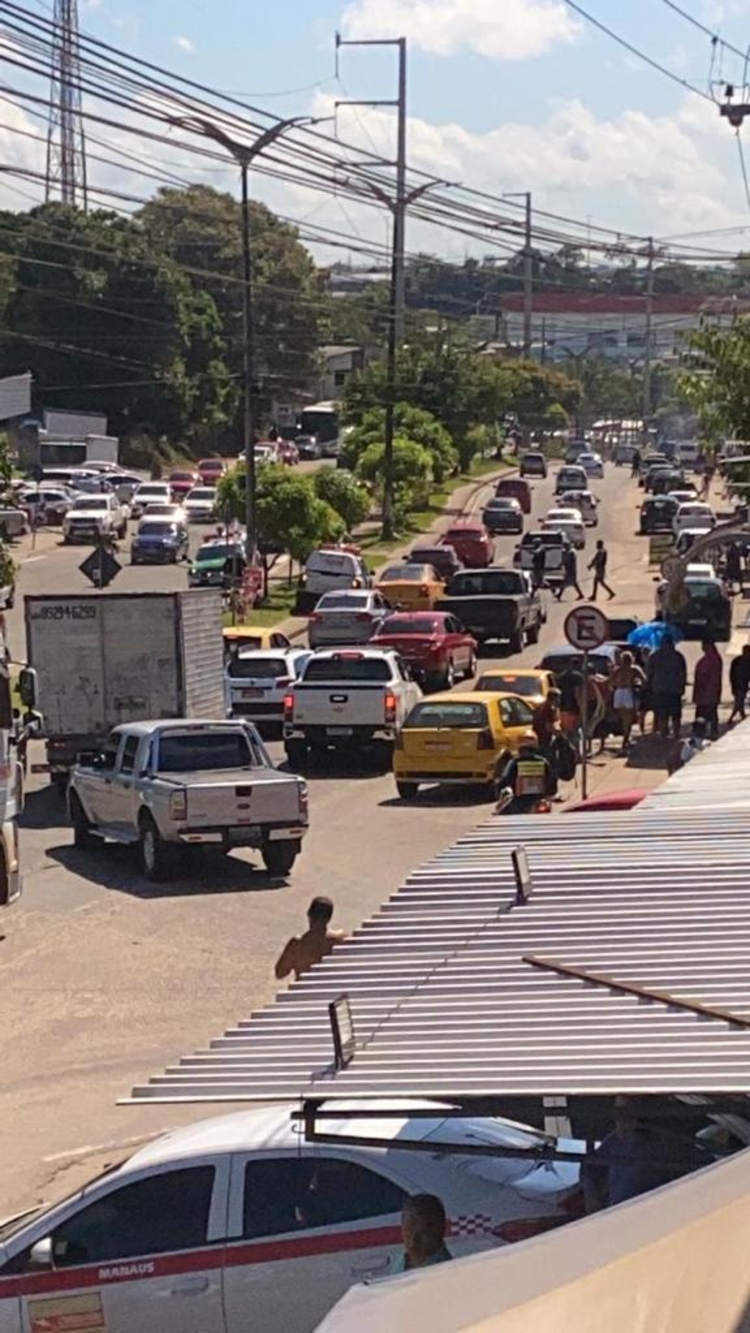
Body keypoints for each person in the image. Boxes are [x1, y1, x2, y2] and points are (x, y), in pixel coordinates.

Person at [274, 897, 345, 981]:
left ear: (308, 914)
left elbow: (280, 973)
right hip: (330, 991)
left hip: (303, 991)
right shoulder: (341, 939)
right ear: (329, 918)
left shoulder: (297, 944)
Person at [391, 1195, 453, 1274]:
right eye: (410, 1225)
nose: (414, 1236)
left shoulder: (444, 1271)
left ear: (441, 1229)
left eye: (424, 1229)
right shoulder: (402, 1261)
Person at [496, 732, 555, 811]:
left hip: (519, 803)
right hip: (539, 802)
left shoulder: (514, 762)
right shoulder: (543, 762)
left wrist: (498, 784)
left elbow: (505, 780)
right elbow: (551, 782)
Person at [647, 636, 688, 740]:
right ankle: (676, 733)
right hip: (675, 689)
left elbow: (649, 673)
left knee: (662, 713)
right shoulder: (678, 656)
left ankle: (663, 734)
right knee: (675, 714)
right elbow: (683, 673)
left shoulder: (655, 656)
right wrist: (682, 686)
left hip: (660, 689)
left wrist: (650, 687)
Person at [608, 649, 645, 751]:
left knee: (623, 717)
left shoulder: (617, 670)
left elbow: (610, 682)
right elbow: (644, 680)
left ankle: (625, 738)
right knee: (628, 719)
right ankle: (625, 738)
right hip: (628, 693)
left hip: (618, 693)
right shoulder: (634, 669)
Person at [693, 638, 723, 740]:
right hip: (710, 691)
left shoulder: (711, 659)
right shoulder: (715, 658)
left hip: (706, 691)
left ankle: (704, 730)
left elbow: (704, 674)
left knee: (705, 712)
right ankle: (711, 730)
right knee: (711, 711)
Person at [729, 644, 750, 724]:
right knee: (739, 702)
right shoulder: (737, 661)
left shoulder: (740, 661)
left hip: (742, 685)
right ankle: (732, 717)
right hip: (738, 685)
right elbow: (732, 674)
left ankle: (741, 714)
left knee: (739, 701)